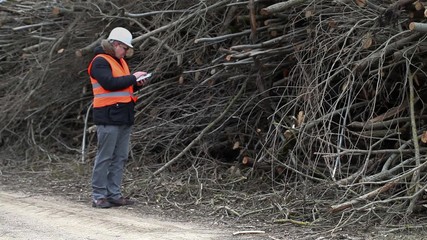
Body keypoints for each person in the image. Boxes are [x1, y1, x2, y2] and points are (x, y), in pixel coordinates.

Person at [87, 27, 148, 208]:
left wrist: (137, 84)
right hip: (108, 116)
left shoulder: (119, 62)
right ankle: (98, 195)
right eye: (124, 48)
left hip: (123, 115)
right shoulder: (100, 61)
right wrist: (132, 78)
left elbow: (123, 87)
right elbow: (110, 84)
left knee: (120, 157)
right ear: (114, 44)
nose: (126, 52)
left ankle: (114, 194)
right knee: (105, 157)